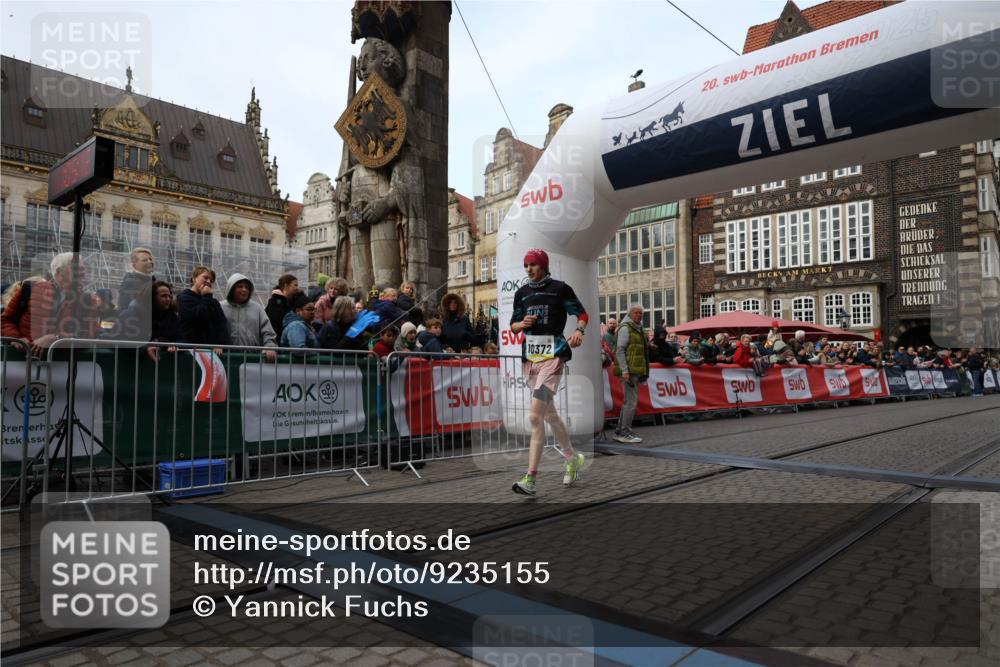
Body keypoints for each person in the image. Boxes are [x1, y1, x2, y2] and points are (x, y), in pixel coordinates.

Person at [509, 248, 587, 496]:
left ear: (543, 265)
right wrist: (522, 324)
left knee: (534, 417)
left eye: (533, 264)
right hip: (531, 359)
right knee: (550, 416)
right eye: (526, 265)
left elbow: (582, 313)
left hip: (554, 356)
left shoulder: (560, 288)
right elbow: (513, 325)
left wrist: (579, 331)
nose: (529, 269)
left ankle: (530, 479)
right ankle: (572, 458)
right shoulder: (521, 293)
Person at [1, 252, 99, 355]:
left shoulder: (88, 300)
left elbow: (90, 335)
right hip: (22, 363)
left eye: (83, 268)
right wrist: (15, 338)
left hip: (62, 366)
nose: (83, 272)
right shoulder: (29, 289)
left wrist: (56, 339)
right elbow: (5, 320)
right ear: (59, 272)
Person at [111, 280, 181, 361]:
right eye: (163, 296)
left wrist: (175, 345)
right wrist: (145, 349)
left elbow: (182, 338)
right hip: (132, 367)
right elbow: (116, 338)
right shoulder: (131, 314)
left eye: (170, 296)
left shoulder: (172, 316)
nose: (168, 299)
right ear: (152, 297)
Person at [613, 304, 649, 444]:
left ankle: (621, 430)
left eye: (641, 313)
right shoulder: (626, 328)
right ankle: (624, 431)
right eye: (636, 313)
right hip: (628, 371)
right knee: (631, 403)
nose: (639, 315)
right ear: (630, 314)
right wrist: (625, 370)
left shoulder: (637, 329)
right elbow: (620, 350)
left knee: (628, 402)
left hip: (633, 370)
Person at [221, 273, 277, 362]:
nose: (244, 289)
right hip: (225, 359)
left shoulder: (257, 308)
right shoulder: (220, 307)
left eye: (247, 287)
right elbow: (213, 330)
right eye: (240, 286)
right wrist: (217, 345)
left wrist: (270, 347)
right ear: (231, 289)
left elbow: (267, 331)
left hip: (252, 359)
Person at [177, 266, 230, 346]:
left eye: (211, 280)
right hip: (191, 348)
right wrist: (207, 297)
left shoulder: (214, 302)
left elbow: (221, 323)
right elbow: (199, 317)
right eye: (205, 278)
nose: (208, 281)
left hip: (210, 350)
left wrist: (220, 343)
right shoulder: (184, 298)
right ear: (194, 278)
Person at [266, 273, 299, 340]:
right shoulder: (275, 302)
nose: (297, 288)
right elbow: (274, 325)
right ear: (286, 286)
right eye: (295, 285)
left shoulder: (290, 301)